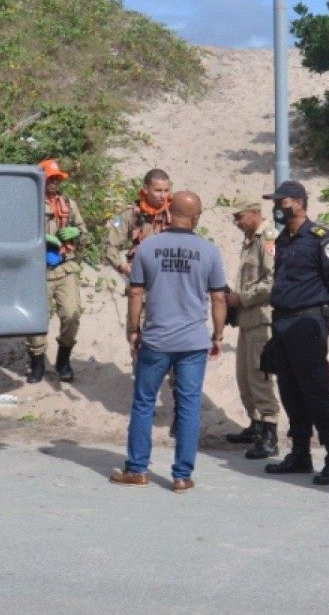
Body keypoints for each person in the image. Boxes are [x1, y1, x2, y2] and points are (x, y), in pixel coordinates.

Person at [110, 191, 227, 493]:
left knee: (144, 403)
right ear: (197, 217)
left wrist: (133, 330)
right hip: (192, 341)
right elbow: (218, 297)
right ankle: (182, 476)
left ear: (168, 211)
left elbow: (136, 293)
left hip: (157, 339)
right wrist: (218, 334)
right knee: (188, 405)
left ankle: (137, 469)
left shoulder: (148, 248)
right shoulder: (209, 251)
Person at [261, 180, 329, 486]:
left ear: (299, 203)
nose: (278, 207)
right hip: (283, 322)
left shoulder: (320, 239)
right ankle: (300, 452)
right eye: (276, 202)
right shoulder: (285, 239)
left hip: (308, 323)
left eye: (282, 202)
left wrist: (327, 312)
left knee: (317, 390)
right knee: (289, 389)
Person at [224, 195, 282, 460]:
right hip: (248, 319)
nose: (236, 222)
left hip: (261, 317)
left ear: (255, 212)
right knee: (244, 375)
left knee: (260, 377)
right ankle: (256, 424)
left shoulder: (268, 238)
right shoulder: (250, 238)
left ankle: (270, 433)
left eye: (239, 216)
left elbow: (273, 281)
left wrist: (242, 298)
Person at [26, 159, 87, 383]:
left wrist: (75, 233)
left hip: (64, 267)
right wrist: (42, 238)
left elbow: (83, 232)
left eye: (57, 179)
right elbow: (18, 234)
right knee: (37, 320)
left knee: (72, 313)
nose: (54, 183)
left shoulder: (69, 204)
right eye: (50, 178)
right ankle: (37, 362)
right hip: (37, 269)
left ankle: (63, 359)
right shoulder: (29, 204)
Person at [105, 168, 173, 289]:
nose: (163, 196)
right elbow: (110, 244)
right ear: (146, 190)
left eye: (166, 190)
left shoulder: (175, 213)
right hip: (140, 278)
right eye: (158, 190)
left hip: (169, 278)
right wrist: (122, 266)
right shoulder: (128, 214)